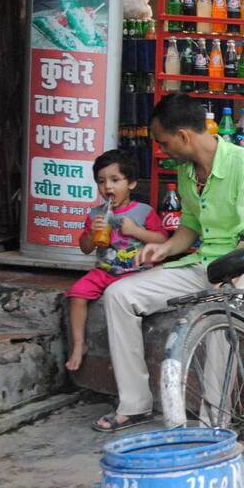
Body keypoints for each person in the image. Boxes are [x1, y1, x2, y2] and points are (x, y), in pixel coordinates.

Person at [92, 94, 244, 432]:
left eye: (163, 142)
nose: (162, 150)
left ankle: (213, 424)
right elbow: (189, 228)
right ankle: (135, 404)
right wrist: (163, 250)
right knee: (119, 295)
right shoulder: (185, 172)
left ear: (184, 136)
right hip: (203, 264)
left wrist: (228, 276)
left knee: (222, 319)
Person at [65, 150, 167, 373]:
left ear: (131, 183)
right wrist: (92, 234)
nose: (108, 187)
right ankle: (79, 344)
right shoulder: (95, 215)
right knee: (77, 293)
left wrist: (136, 231)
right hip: (105, 271)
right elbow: (85, 248)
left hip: (136, 272)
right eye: (101, 182)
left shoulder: (143, 211)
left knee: (125, 304)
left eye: (115, 180)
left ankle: (123, 353)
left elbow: (162, 240)